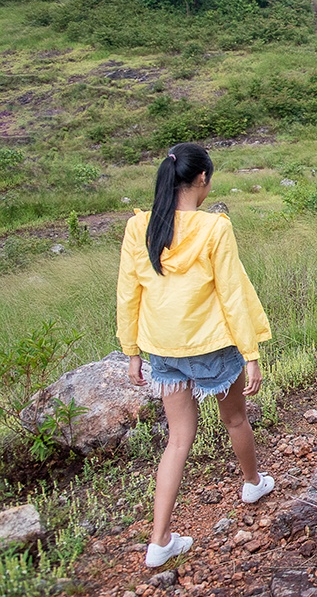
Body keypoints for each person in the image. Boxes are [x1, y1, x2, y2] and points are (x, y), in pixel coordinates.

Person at [117, 142, 274, 570]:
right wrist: (250, 352)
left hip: (162, 348)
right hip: (210, 345)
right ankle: (252, 482)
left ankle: (159, 540)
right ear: (202, 179)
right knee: (235, 419)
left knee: (178, 439)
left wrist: (131, 350)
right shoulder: (214, 227)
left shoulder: (141, 228)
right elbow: (233, 294)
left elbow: (128, 292)